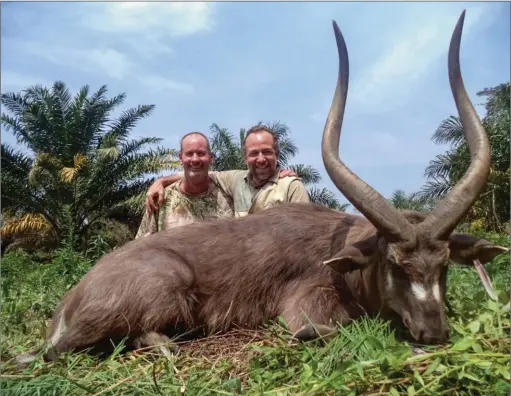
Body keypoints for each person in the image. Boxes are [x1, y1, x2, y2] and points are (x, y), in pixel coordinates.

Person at [145, 125, 310, 218]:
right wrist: (161, 181)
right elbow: (198, 171)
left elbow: (306, 233)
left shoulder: (291, 186)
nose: (261, 159)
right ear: (245, 158)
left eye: (266, 152)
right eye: (254, 153)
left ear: (277, 154)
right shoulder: (236, 179)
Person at [135, 132, 234, 238]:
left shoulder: (229, 197)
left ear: (211, 157)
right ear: (180, 158)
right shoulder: (161, 199)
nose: (195, 159)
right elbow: (141, 247)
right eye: (189, 154)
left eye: (201, 153)